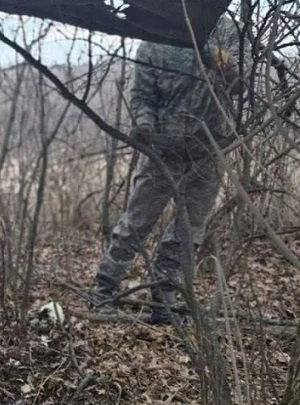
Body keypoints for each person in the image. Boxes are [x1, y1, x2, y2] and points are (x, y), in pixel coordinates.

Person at [91, 14, 253, 324]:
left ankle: (164, 304)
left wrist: (215, 57)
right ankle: (104, 292)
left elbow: (239, 84)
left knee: (188, 230)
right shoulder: (155, 36)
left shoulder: (228, 31)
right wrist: (144, 125)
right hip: (162, 149)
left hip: (208, 147)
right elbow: (142, 95)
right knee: (136, 222)